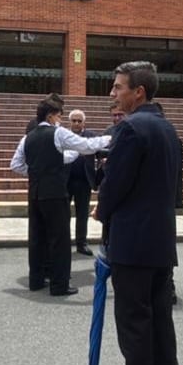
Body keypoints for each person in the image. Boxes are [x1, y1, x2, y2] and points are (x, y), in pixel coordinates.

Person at [87, 61, 181, 365]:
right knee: (160, 320)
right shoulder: (168, 128)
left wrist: (101, 210)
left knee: (134, 323)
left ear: (138, 92)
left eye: (118, 87)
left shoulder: (130, 128)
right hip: (160, 240)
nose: (112, 93)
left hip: (132, 242)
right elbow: (176, 190)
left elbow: (115, 183)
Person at [10, 96, 109, 296]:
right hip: (55, 193)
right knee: (60, 239)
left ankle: (36, 280)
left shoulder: (27, 137)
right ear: (51, 116)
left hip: (35, 193)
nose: (61, 121)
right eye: (59, 116)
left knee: (37, 238)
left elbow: (16, 165)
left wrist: (39, 170)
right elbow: (87, 146)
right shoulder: (58, 133)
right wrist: (111, 137)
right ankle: (59, 284)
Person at [67, 109, 99, 256]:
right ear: (70, 122)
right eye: (74, 120)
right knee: (63, 214)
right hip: (65, 181)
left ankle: (82, 243)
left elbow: (100, 153)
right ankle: (63, 242)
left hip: (84, 181)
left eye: (79, 121)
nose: (76, 123)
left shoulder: (91, 136)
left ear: (84, 122)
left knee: (82, 214)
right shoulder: (63, 136)